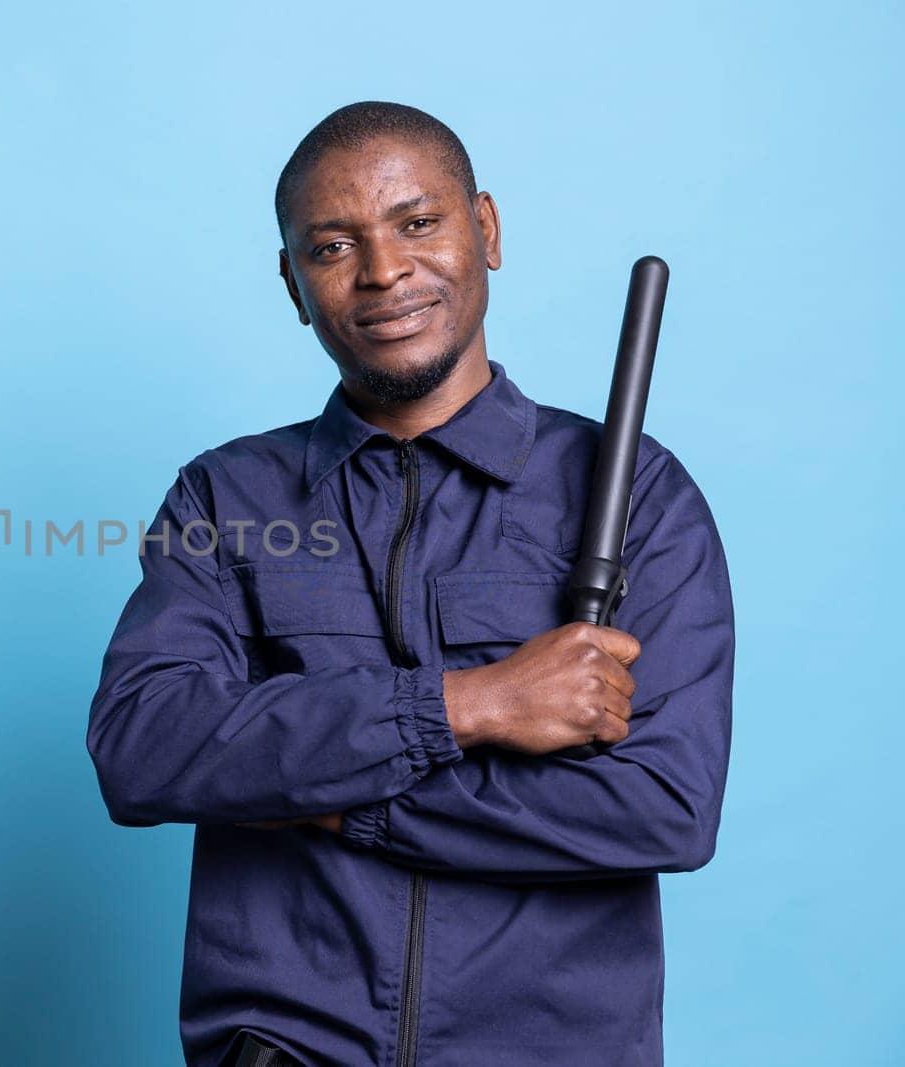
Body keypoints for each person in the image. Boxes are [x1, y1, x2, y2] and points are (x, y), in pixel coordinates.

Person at [85, 101, 734, 1067]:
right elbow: (143, 748)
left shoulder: (637, 491)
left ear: (488, 230)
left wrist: (338, 799)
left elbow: (662, 807)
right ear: (294, 284)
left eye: (417, 223)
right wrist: (466, 705)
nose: (384, 272)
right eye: (333, 245)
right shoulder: (225, 496)